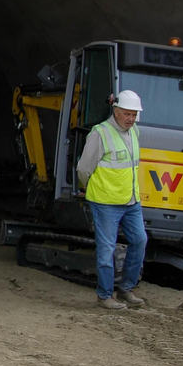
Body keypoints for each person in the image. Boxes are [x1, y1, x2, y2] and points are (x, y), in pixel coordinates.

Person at [76, 90, 148, 310]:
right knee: (107, 249)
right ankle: (105, 295)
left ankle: (126, 289)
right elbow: (83, 168)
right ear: (115, 111)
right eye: (127, 114)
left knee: (140, 240)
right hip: (106, 202)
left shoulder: (134, 131)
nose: (131, 118)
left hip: (131, 201)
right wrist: (88, 188)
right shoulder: (100, 134)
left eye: (134, 114)